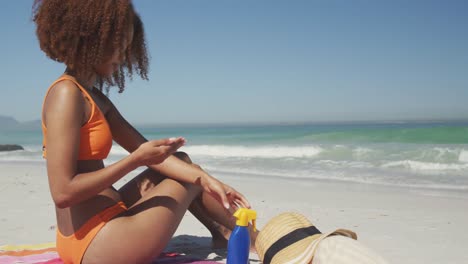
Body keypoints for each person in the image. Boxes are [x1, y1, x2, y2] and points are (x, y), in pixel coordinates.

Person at [32, 1, 256, 263]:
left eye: (128, 45)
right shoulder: (65, 94)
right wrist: (135, 160)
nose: (124, 54)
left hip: (104, 220)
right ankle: (251, 238)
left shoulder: (93, 97)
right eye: (118, 45)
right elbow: (63, 193)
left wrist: (208, 181)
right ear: (90, 39)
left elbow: (155, 155)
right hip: (96, 242)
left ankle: (224, 232)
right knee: (186, 178)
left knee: (183, 164)